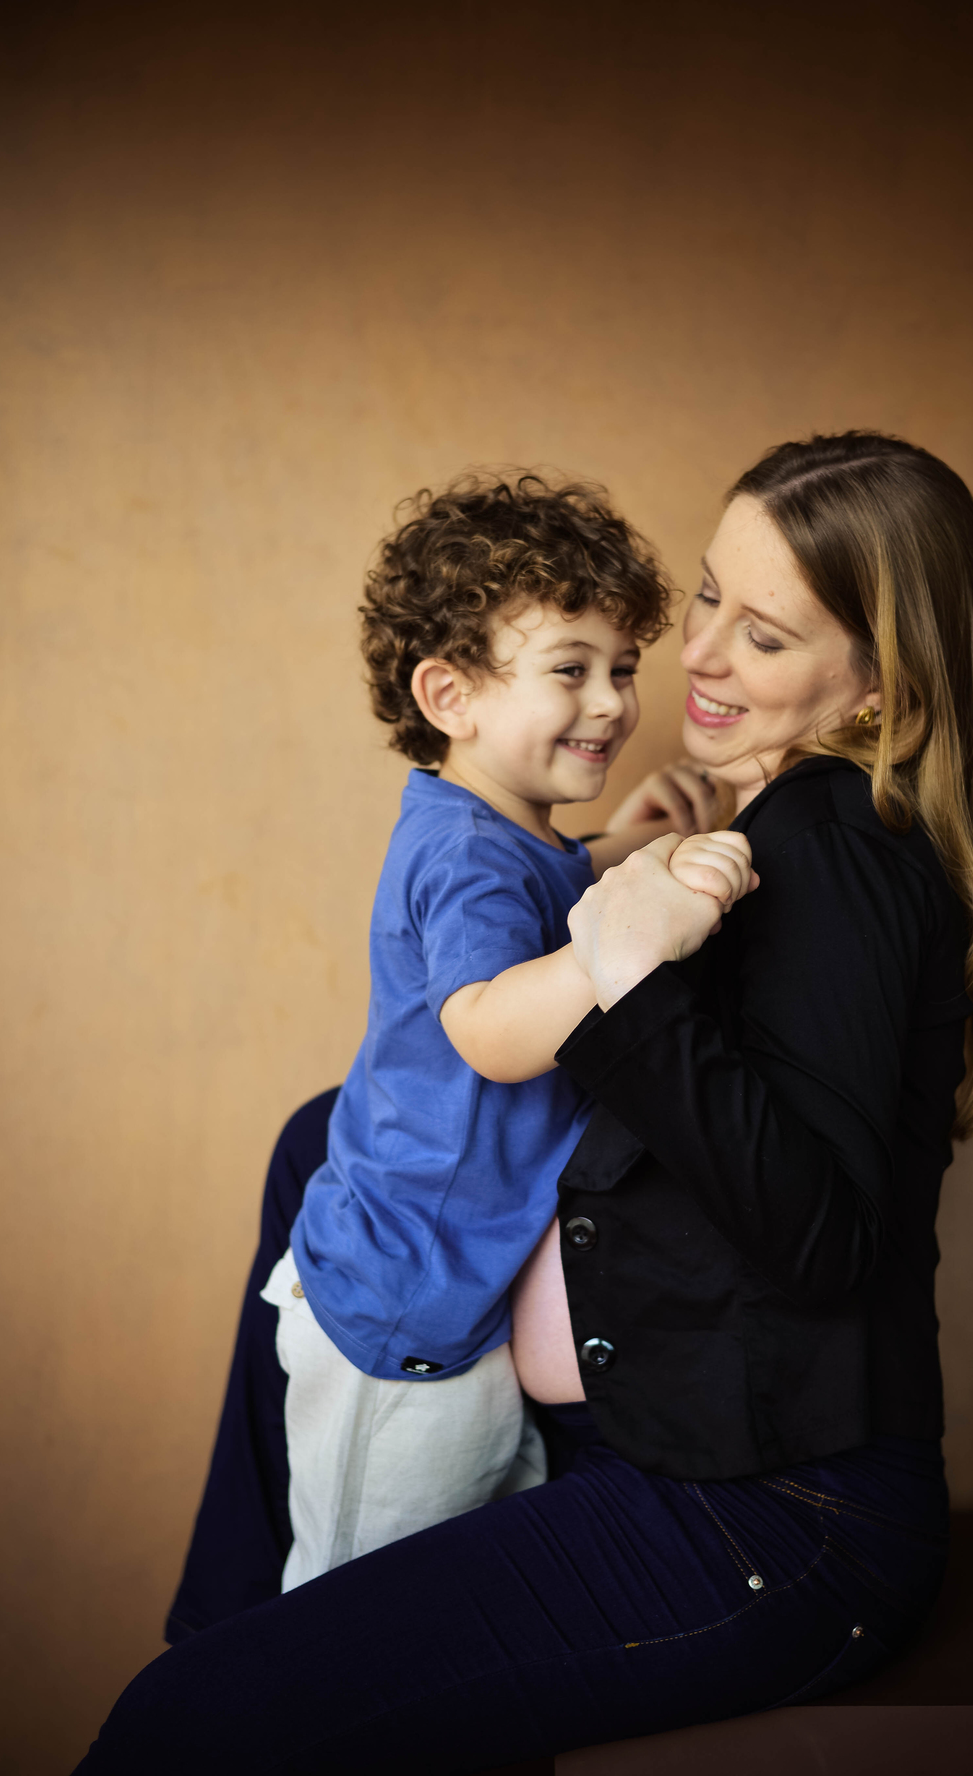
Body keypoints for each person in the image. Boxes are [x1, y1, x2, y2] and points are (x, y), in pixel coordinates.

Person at [56, 432, 973, 1776]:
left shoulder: (838, 858)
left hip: (766, 1514)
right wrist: (622, 873)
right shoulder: (756, 825)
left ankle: (240, 1662)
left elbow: (819, 1235)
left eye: (762, 636)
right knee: (319, 1142)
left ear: (879, 687)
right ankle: (248, 1624)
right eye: (704, 601)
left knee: (178, 1731)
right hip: (650, 1441)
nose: (692, 662)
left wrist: (617, 968)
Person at [243, 472, 744, 1593]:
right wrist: (623, 943)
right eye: (571, 669)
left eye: (623, 668)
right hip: (402, 1322)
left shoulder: (506, 832)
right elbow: (489, 1029)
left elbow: (546, 899)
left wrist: (622, 845)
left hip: (447, 1307)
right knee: (354, 1611)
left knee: (458, 1590)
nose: (614, 702)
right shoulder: (470, 855)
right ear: (450, 694)